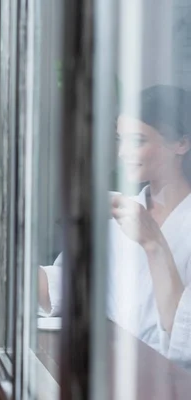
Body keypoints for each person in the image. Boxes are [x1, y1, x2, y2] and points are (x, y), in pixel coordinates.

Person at [38, 84, 191, 367]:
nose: (122, 153)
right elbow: (62, 287)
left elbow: (185, 336)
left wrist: (154, 243)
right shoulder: (119, 213)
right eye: (120, 139)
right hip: (111, 375)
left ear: (182, 143)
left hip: (174, 383)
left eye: (138, 141)